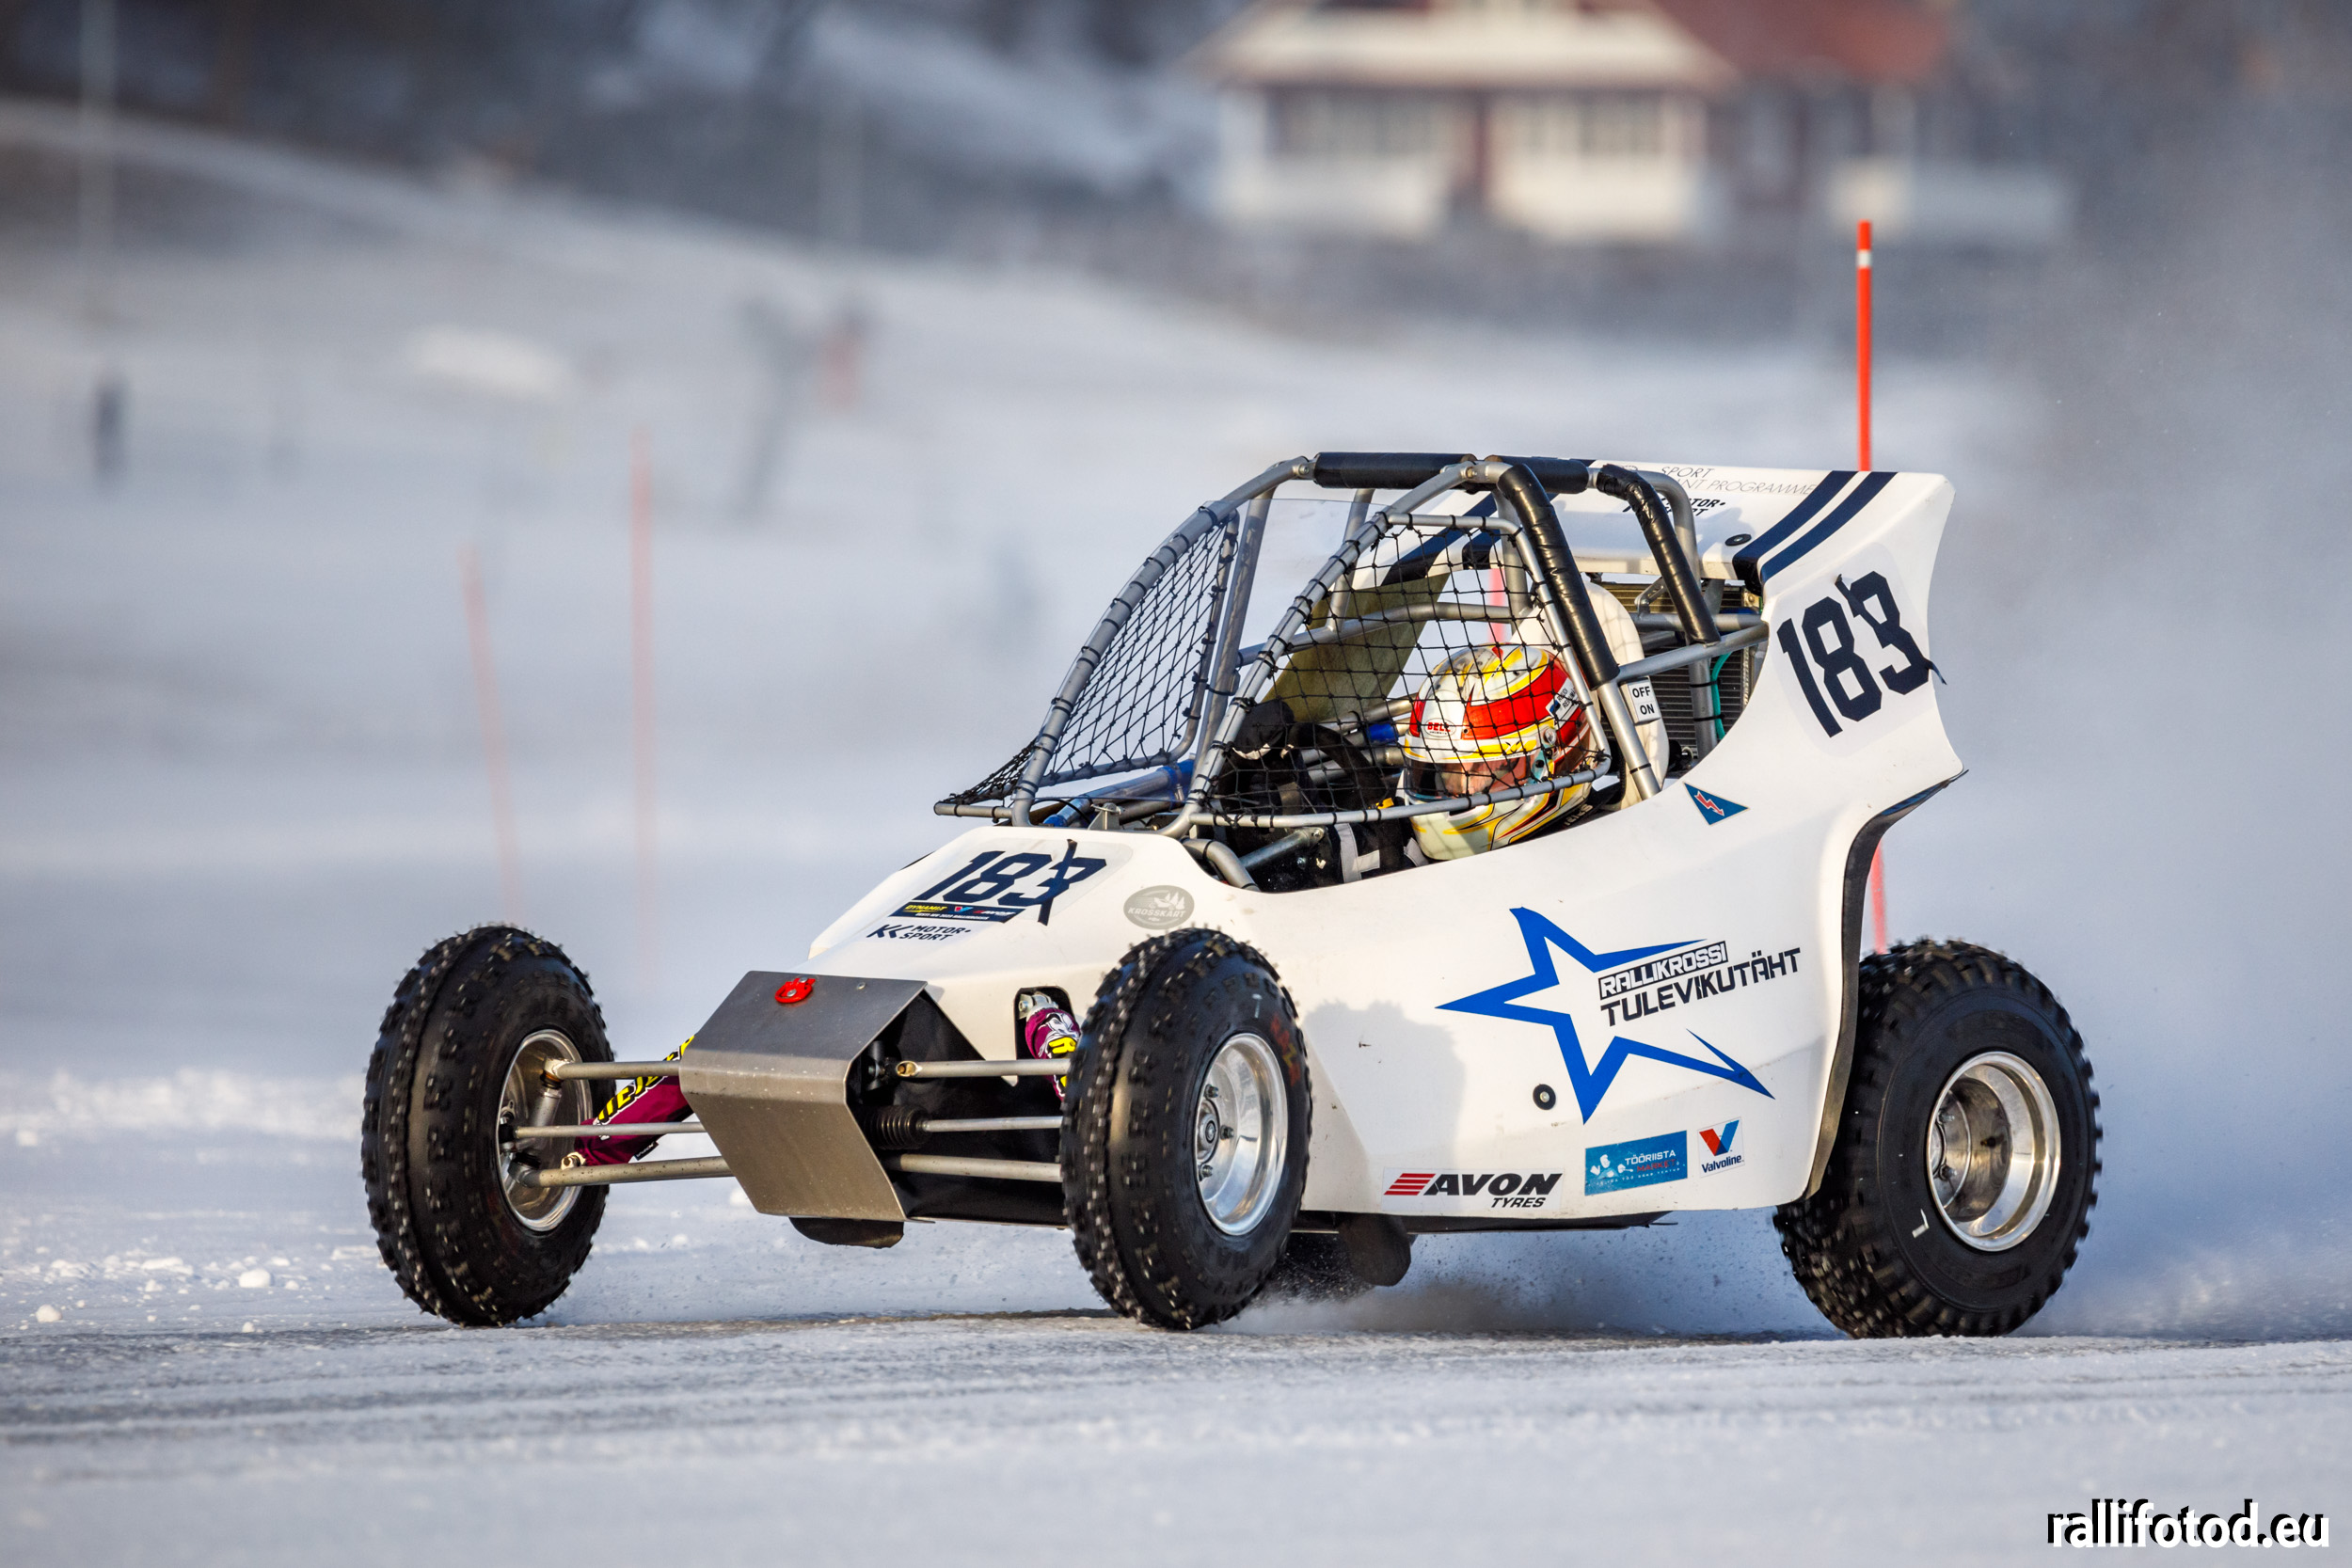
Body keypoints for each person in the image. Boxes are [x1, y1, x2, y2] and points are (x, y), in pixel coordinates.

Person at [1398, 641, 1601, 860]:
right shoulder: (1400, 845)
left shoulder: (1602, 847)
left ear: (1551, 753)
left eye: (1480, 770)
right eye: (1443, 771)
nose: (1455, 791)